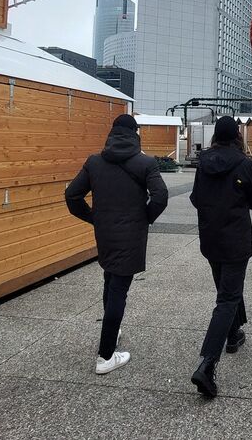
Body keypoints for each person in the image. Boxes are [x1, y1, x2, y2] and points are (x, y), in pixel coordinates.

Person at [65, 114, 168, 375]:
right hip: (131, 235)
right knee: (119, 290)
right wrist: (146, 217)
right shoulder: (146, 163)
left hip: (105, 233)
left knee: (110, 280)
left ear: (112, 133)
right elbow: (161, 196)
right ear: (135, 134)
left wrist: (93, 218)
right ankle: (106, 356)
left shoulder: (95, 162)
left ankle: (112, 329)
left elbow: (72, 195)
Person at [189, 116, 252, 397]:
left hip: (210, 238)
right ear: (237, 136)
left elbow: (195, 198)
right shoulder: (244, 164)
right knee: (227, 298)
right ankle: (207, 365)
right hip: (235, 240)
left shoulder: (203, 163)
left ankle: (233, 335)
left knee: (228, 289)